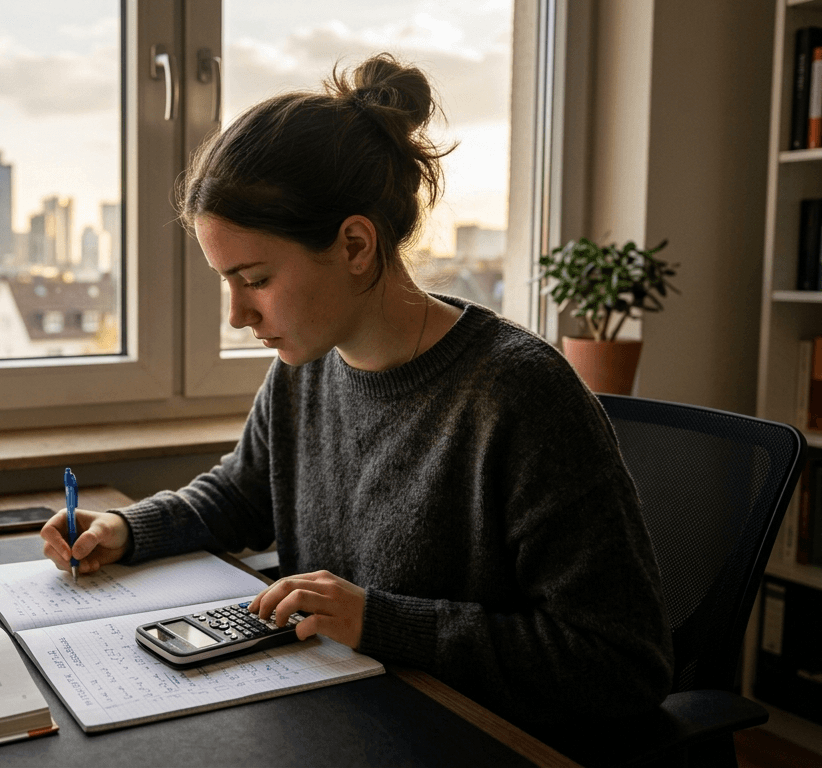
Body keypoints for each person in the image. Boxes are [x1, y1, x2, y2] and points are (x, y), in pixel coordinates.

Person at [40, 53, 673, 728]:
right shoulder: (305, 366)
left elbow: (619, 665)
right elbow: (243, 492)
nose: (236, 316)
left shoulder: (520, 395)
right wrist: (127, 528)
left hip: (474, 735)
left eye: (254, 280)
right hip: (346, 713)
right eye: (226, 282)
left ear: (354, 245)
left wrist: (381, 622)